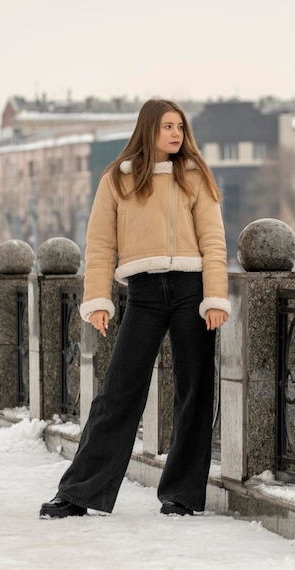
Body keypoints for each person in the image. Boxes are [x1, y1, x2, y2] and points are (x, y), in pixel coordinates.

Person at [40, 99, 231, 519]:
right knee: (118, 392)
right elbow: (101, 244)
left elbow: (214, 242)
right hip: (142, 294)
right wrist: (98, 300)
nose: (176, 133)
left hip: (190, 289)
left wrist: (215, 298)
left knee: (193, 389)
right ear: (148, 129)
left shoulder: (196, 176)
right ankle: (78, 493)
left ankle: (181, 494)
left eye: (180, 126)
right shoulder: (118, 179)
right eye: (167, 126)